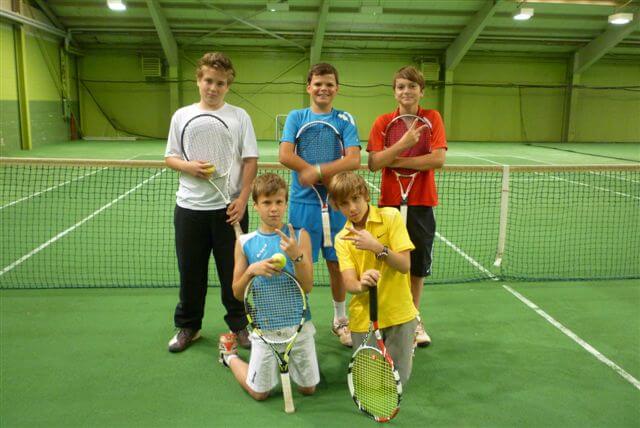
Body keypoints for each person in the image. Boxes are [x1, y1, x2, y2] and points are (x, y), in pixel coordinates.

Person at [165, 52, 258, 352]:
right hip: (190, 209)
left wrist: (243, 199)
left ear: (228, 85)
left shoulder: (239, 116)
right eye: (208, 81)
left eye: (220, 83)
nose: (213, 87)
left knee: (235, 272)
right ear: (198, 80)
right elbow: (171, 157)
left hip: (229, 210)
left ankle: (240, 325)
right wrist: (188, 167)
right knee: (190, 272)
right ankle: (188, 326)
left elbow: (250, 160)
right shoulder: (181, 115)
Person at [279, 63, 361, 347]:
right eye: (318, 84)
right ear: (308, 87)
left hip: (337, 204)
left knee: (337, 263)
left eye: (329, 84)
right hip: (303, 206)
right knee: (301, 264)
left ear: (337, 88)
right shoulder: (296, 117)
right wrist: (310, 171)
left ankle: (340, 319)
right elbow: (285, 154)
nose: (323, 88)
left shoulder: (344, 118)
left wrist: (317, 171)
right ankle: (300, 318)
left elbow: (353, 159)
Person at [218, 173, 319, 401]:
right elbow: (236, 293)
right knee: (259, 393)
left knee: (308, 389)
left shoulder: (300, 237)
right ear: (255, 206)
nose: (273, 209)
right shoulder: (244, 242)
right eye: (267, 202)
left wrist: (297, 256)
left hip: (298, 327)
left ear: (285, 203)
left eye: (279, 202)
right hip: (265, 330)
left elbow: (308, 286)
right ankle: (230, 356)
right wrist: (251, 271)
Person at [367, 65, 447, 347]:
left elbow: (437, 160)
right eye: (401, 87)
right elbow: (375, 163)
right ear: (394, 92)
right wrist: (402, 144)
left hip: (421, 202)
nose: (406, 91)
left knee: (416, 267)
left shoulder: (432, 118)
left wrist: (395, 160)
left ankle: (412, 318)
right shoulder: (383, 122)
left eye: (412, 86)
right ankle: (388, 317)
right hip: (389, 204)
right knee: (388, 262)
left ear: (421, 91)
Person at [330, 171, 417, 385]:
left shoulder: (391, 217)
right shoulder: (342, 239)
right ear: (336, 207)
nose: (352, 208)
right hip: (364, 319)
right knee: (369, 384)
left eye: (356, 199)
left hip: (399, 313)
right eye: (344, 203)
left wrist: (377, 248)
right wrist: (362, 284)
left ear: (366, 195)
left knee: (398, 380)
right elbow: (350, 284)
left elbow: (405, 265)